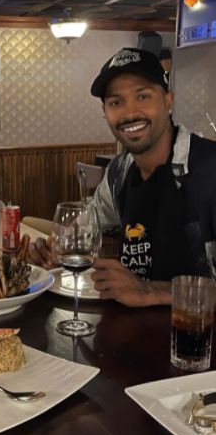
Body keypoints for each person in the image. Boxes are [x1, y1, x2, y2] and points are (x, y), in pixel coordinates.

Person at [89, 47, 216, 306]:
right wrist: (55, 247)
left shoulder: (209, 170)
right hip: (132, 337)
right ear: (105, 112)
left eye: (143, 96)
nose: (129, 112)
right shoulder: (119, 172)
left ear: (168, 100)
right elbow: (88, 226)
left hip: (200, 341)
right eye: (116, 102)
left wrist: (150, 291)